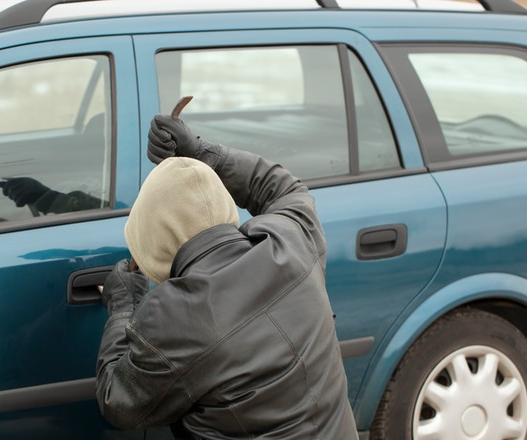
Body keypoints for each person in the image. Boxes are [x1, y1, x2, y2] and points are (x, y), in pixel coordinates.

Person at [95, 114, 358, 439]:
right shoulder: (291, 240)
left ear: (154, 247)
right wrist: (202, 153)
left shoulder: (173, 319)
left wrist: (122, 308)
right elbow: (283, 187)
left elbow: (118, 402)